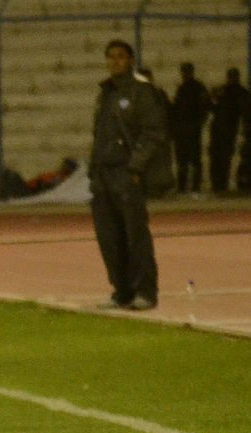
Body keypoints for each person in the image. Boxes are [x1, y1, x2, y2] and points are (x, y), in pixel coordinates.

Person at [89, 40, 168, 311]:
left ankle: (145, 291)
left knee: (135, 236)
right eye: (110, 57)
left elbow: (154, 133)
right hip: (103, 175)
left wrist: (135, 168)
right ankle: (121, 291)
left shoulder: (141, 92)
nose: (114, 62)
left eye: (120, 57)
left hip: (126, 173)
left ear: (131, 60)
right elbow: (99, 134)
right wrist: (93, 171)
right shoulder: (106, 92)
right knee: (109, 237)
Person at [171, 62, 212, 194]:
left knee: (193, 159)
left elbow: (206, 106)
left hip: (191, 128)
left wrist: (199, 122)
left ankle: (194, 186)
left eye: (186, 71)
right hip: (183, 128)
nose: (184, 74)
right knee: (183, 158)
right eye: (183, 71)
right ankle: (183, 186)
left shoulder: (197, 87)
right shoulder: (183, 88)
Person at [208, 68, 251, 194]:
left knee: (224, 158)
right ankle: (218, 184)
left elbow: (245, 111)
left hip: (229, 130)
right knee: (216, 158)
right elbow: (214, 108)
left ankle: (222, 184)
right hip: (219, 129)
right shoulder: (225, 91)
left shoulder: (240, 92)